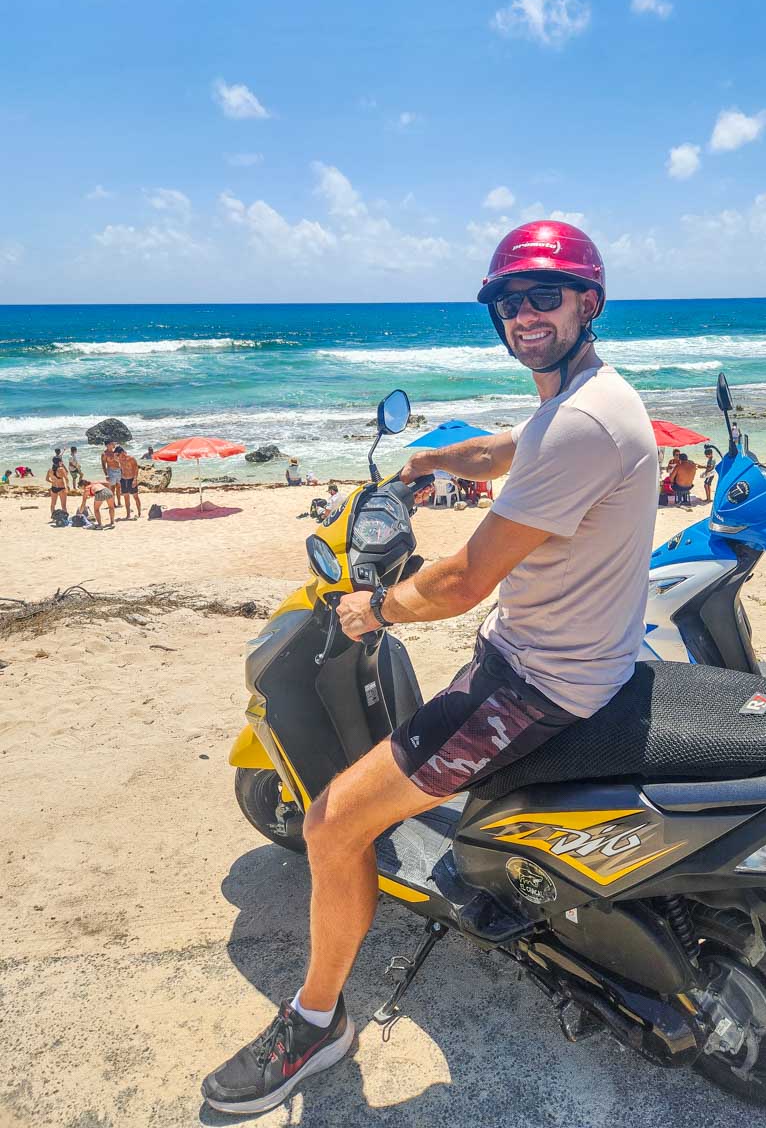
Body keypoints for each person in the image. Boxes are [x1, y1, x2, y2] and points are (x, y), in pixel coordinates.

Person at [202, 219, 660, 1115]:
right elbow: (515, 447)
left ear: (587, 303)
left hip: (538, 684)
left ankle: (318, 1020)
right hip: (584, 657)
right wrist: (434, 459)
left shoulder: (581, 424)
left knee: (333, 825)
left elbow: (460, 580)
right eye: (507, 300)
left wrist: (374, 606)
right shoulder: (591, 402)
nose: (523, 313)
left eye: (543, 296)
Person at [114, 446, 141, 519]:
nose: (117, 456)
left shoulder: (131, 459)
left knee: (135, 496)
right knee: (126, 497)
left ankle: (139, 512)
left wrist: (135, 480)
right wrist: (116, 453)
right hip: (123, 479)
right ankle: (128, 514)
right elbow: (113, 457)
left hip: (131, 479)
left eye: (118, 454)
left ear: (122, 452)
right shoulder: (119, 459)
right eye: (117, 455)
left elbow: (136, 469)